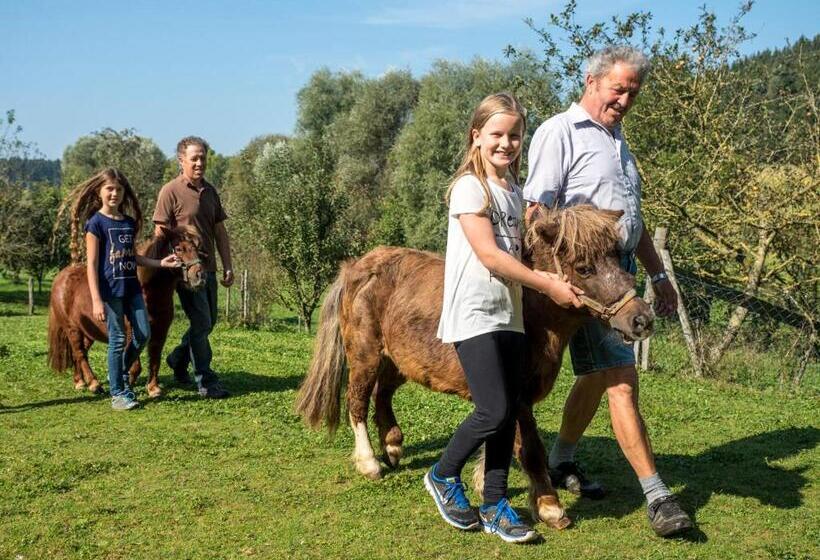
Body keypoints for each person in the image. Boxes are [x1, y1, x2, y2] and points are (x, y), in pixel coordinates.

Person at [523, 46, 694, 537]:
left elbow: (632, 223)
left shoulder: (618, 142)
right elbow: (537, 214)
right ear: (591, 80)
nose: (624, 99)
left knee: (598, 377)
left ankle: (560, 461)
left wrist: (658, 276)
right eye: (618, 88)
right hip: (584, 274)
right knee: (621, 379)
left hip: (617, 271)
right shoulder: (560, 131)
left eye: (632, 92)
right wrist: (557, 279)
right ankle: (657, 495)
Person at [426, 93, 585, 544]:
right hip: (474, 312)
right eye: (496, 134)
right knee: (493, 409)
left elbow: (519, 249)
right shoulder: (469, 188)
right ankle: (442, 474)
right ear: (476, 136)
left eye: (515, 135)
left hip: (509, 315)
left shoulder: (513, 192)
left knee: (511, 411)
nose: (507, 143)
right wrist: (547, 284)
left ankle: (495, 503)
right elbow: (492, 256)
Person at [71, 168, 180, 410]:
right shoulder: (95, 224)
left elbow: (133, 257)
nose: (114, 194)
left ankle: (117, 373)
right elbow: (91, 264)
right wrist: (97, 300)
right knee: (118, 339)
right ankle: (118, 394)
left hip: (132, 288)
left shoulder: (129, 223)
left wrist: (160, 263)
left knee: (142, 334)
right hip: (110, 292)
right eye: (110, 189)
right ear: (99, 191)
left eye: (119, 190)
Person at [153, 136, 234, 399]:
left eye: (203, 158)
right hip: (184, 272)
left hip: (207, 267)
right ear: (181, 160)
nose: (199, 163)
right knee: (201, 321)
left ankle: (178, 358)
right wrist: (164, 265)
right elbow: (159, 234)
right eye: (194, 158)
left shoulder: (210, 191)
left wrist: (227, 265)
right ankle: (206, 381)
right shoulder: (170, 191)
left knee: (207, 323)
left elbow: (220, 232)